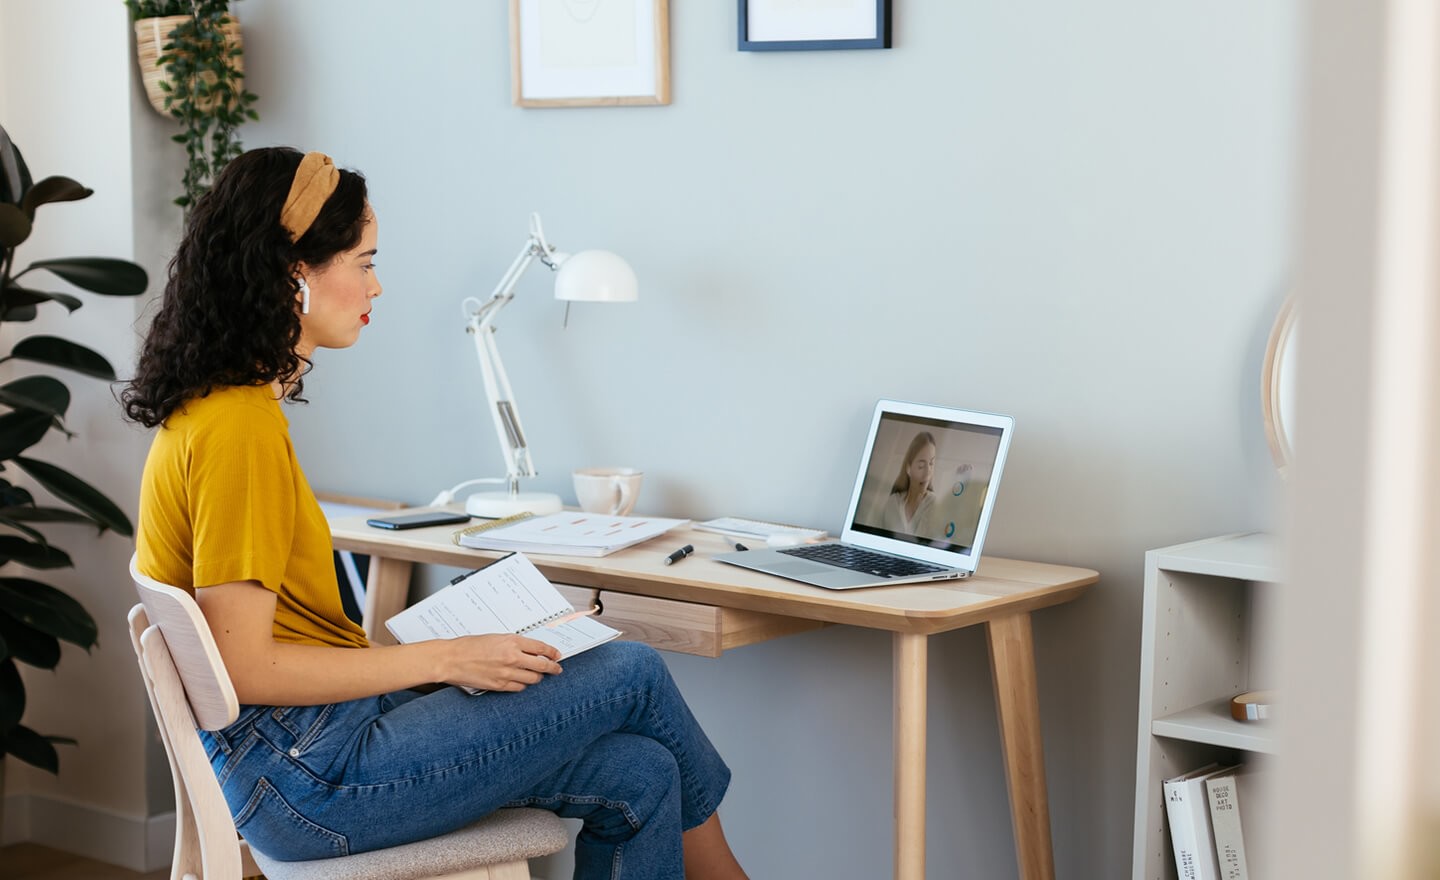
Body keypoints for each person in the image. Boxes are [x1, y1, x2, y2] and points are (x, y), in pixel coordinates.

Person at [122, 147, 748, 880]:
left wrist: (448, 656)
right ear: (295, 274)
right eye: (363, 262)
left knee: (640, 773)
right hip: (311, 780)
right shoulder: (238, 429)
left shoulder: (220, 409)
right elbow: (244, 665)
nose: (377, 285)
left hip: (307, 753)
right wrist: (449, 658)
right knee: (631, 669)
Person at [877, 431, 938, 534]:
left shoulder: (934, 505)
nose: (928, 472)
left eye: (931, 463)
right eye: (921, 466)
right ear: (908, 468)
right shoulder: (893, 502)